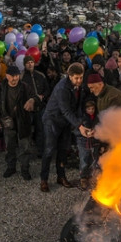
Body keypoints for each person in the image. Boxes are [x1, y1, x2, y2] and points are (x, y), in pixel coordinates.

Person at [39, 62, 91, 193]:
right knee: (50, 149)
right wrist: (79, 126)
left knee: (63, 149)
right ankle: (44, 179)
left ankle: (61, 176)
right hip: (53, 119)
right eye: (76, 78)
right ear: (69, 76)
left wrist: (82, 121)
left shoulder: (80, 86)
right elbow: (66, 110)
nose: (79, 81)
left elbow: (78, 106)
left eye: (81, 77)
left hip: (66, 122)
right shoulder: (62, 88)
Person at [0, 65, 38, 180]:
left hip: (23, 121)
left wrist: (32, 100)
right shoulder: (0, 89)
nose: (15, 78)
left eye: (17, 76)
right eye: (12, 76)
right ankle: (11, 167)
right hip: (8, 122)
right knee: (10, 146)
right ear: (7, 76)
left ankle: (25, 170)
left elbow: (36, 98)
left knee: (25, 147)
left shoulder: (25, 87)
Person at [21, 55, 50, 155]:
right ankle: (27, 151)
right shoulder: (21, 77)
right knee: (27, 131)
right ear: (25, 64)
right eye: (28, 62)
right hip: (28, 108)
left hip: (40, 107)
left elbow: (47, 89)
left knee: (41, 129)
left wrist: (43, 96)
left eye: (31, 62)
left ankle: (41, 151)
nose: (30, 64)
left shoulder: (40, 75)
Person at [76, 100, 101, 191]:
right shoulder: (81, 119)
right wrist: (85, 132)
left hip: (94, 141)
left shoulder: (97, 117)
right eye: (89, 109)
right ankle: (83, 177)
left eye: (93, 108)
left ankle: (92, 177)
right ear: (85, 109)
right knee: (84, 160)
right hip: (83, 142)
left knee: (94, 160)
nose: (91, 110)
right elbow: (77, 130)